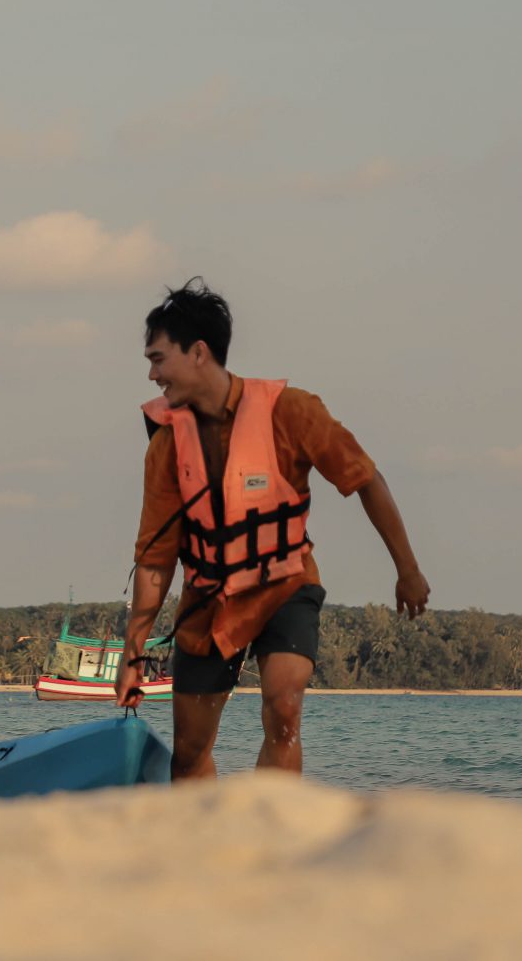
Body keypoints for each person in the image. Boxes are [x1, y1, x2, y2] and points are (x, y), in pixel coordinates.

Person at [116, 280, 430, 778]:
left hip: (286, 582)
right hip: (208, 598)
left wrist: (407, 570)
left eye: (159, 359)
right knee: (190, 751)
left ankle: (271, 835)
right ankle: (205, 844)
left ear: (199, 353)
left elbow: (366, 479)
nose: (152, 374)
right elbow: (155, 560)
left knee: (284, 710)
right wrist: (135, 650)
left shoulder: (292, 412)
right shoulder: (167, 447)